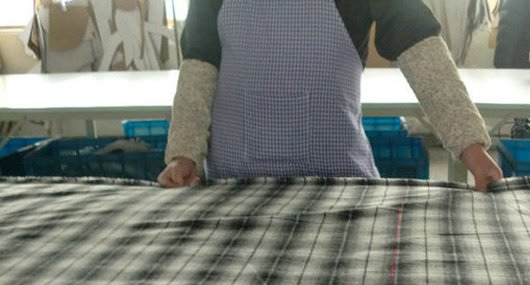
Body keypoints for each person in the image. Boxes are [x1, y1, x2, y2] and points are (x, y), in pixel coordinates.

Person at [158, 0, 503, 191]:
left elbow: (422, 50)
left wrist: (470, 147)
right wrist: (184, 154)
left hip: (343, 191)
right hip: (232, 191)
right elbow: (198, 71)